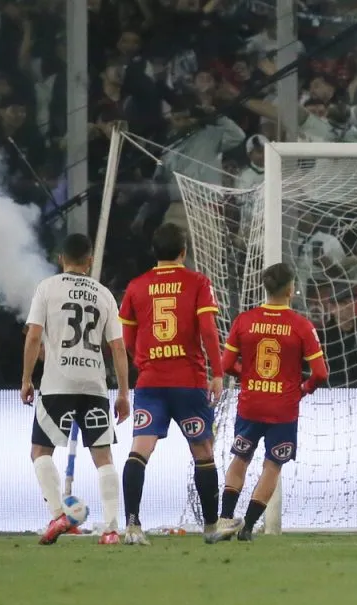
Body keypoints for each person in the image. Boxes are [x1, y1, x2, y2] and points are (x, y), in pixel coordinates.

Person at [117, 223, 224, 546]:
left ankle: (132, 525)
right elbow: (208, 331)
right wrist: (217, 372)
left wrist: (144, 363)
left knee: (140, 449)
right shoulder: (198, 282)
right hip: (188, 382)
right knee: (202, 450)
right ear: (183, 252)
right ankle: (211, 527)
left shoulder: (136, 286)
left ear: (155, 251)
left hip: (151, 383)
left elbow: (126, 339)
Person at [21, 234, 131, 545]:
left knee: (40, 451)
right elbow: (118, 347)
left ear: (61, 259)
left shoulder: (47, 288)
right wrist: (123, 393)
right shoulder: (104, 294)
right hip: (94, 384)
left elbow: (33, 336)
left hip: (58, 383)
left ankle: (58, 515)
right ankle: (111, 529)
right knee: (104, 457)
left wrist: (27, 378)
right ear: (90, 260)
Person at [208, 263, 329, 543]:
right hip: (283, 409)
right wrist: (303, 389)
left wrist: (248, 376)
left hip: (250, 404)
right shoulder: (301, 326)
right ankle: (248, 528)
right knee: (272, 466)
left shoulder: (244, 321)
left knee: (240, 458)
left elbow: (226, 364)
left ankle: (225, 519)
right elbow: (321, 373)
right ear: (290, 289)